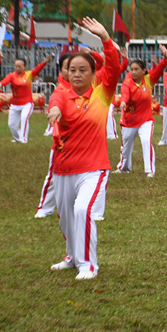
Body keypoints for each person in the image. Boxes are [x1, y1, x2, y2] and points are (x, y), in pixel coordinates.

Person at [47, 17, 121, 280]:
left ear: (93, 74)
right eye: (72, 70)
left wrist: (105, 38)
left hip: (94, 168)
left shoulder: (102, 93)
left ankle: (88, 264)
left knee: (83, 210)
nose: (76, 74)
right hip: (63, 169)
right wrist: (54, 107)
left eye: (82, 70)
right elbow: (56, 98)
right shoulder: (62, 95)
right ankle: (72, 256)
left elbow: (114, 65)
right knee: (66, 218)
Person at [117, 46, 167, 177]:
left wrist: (166, 57)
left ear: (143, 70)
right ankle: (124, 167)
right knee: (126, 146)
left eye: (136, 69)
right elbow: (125, 93)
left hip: (145, 119)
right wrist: (123, 101)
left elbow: (159, 69)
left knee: (146, 141)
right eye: (131, 69)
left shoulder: (149, 80)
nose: (133, 72)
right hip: (129, 120)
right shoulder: (127, 82)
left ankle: (150, 170)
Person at [34, 52, 75, 218]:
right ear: (62, 71)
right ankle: (45, 207)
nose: (74, 72)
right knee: (55, 176)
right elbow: (55, 102)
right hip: (63, 143)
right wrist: (55, 110)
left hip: (85, 143)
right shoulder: (61, 90)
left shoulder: (86, 87)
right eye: (69, 68)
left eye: (79, 68)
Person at [0, 54, 48, 143]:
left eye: (19, 66)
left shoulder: (29, 74)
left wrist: (45, 62)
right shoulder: (12, 75)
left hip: (27, 103)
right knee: (11, 125)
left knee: (24, 117)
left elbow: (38, 69)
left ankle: (23, 139)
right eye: (16, 66)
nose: (17, 68)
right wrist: (0, 84)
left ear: (24, 66)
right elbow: (5, 80)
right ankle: (17, 139)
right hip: (15, 104)